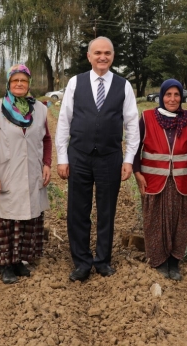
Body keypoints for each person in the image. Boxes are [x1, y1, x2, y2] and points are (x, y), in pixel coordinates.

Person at [56, 36, 140, 282]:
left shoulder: (123, 85)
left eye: (107, 53)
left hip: (109, 158)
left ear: (113, 56)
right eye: (98, 53)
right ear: (89, 56)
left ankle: (102, 260)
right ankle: (81, 262)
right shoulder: (75, 83)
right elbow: (64, 121)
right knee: (77, 212)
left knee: (106, 211)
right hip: (79, 156)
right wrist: (63, 158)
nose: (103, 57)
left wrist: (128, 159)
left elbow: (132, 124)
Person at [0, 64, 52, 284]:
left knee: (28, 218)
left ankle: (20, 261)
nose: (19, 84)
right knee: (6, 220)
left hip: (32, 172)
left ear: (29, 83)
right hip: (6, 173)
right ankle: (5, 266)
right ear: (8, 84)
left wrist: (47, 163)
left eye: (23, 80)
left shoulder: (40, 109)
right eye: (15, 81)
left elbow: (47, 139)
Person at [133, 79, 187, 280]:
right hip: (153, 180)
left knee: (179, 222)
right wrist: (137, 174)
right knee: (154, 221)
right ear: (161, 97)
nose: (172, 99)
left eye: (176, 95)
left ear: (182, 97)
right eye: (168, 95)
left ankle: (174, 261)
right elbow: (134, 149)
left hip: (181, 180)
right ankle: (159, 261)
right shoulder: (147, 117)